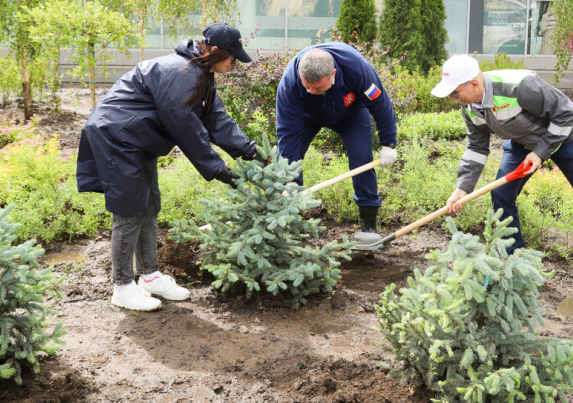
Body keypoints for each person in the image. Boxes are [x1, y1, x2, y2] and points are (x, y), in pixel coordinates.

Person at [431, 54, 573, 301]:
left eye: (455, 92)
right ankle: (516, 267)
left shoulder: (520, 86)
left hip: (567, 139)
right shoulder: (470, 106)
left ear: (474, 83)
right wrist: (462, 188)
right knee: (501, 194)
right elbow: (476, 147)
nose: (453, 99)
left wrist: (540, 152)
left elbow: (565, 115)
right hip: (523, 142)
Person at [77, 23, 263, 311]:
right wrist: (218, 169)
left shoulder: (200, 72)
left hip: (137, 139)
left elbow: (216, 119)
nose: (234, 65)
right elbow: (186, 127)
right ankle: (122, 287)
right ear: (215, 51)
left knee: (149, 205)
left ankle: (150, 277)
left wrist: (252, 151)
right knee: (129, 211)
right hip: (117, 136)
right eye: (232, 58)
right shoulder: (181, 73)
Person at [275, 42, 398, 244]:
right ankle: (290, 226)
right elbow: (287, 132)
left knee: (362, 160)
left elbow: (380, 103)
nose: (312, 91)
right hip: (307, 117)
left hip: (351, 113)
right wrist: (290, 180)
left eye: (318, 87)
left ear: (333, 74)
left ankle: (368, 227)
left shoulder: (356, 68)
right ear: (300, 74)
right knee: (286, 162)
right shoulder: (290, 83)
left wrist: (389, 143)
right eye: (307, 86)